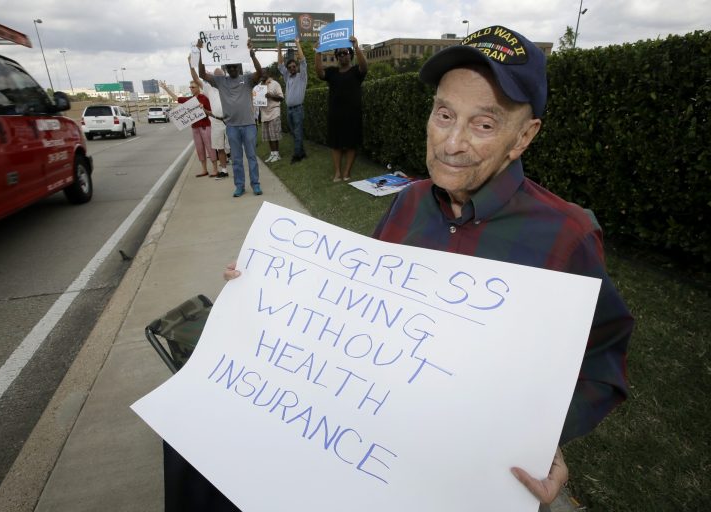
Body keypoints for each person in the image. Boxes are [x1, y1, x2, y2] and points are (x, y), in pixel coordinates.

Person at [225, 25, 633, 510]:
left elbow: (603, 360)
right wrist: (265, 290)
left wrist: (543, 437)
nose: (452, 143)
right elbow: (360, 308)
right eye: (444, 114)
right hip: (373, 458)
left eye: (484, 125)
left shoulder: (568, 237)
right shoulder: (409, 202)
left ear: (523, 137)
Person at [198, 39, 263, 197]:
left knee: (252, 157)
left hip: (248, 125)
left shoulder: (246, 79)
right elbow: (201, 74)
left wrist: (252, 54)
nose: (233, 68)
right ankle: (239, 186)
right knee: (236, 159)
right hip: (232, 127)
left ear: (239, 67)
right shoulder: (221, 81)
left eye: (235, 66)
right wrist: (200, 52)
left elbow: (260, 73)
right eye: (230, 67)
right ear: (226, 68)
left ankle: (255, 184)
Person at [315, 35, 367, 182]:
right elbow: (319, 73)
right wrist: (318, 52)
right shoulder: (332, 72)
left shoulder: (356, 71)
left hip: (353, 114)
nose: (343, 56)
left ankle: (347, 172)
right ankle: (337, 172)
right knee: (335, 144)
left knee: (351, 144)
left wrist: (357, 47)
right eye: (339, 54)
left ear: (350, 55)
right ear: (337, 57)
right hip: (335, 114)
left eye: (345, 53)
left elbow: (365, 67)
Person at [159, 78, 218, 177]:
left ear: (198, 87)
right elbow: (176, 99)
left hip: (205, 126)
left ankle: (215, 169)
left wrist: (203, 109)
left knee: (210, 148)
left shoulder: (204, 98)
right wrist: (166, 89)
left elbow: (212, 113)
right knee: (199, 149)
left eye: (193, 87)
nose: (191, 89)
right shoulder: (190, 100)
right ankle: (204, 170)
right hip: (195, 127)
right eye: (190, 87)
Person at [192, 66, 231, 180]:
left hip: (230, 121)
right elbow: (196, 78)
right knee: (220, 148)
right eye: (216, 76)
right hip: (216, 122)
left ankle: (238, 169)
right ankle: (223, 171)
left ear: (224, 76)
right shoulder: (209, 88)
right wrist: (192, 65)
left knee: (234, 147)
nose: (218, 78)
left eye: (221, 76)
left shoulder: (229, 86)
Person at [277, 38, 308, 163]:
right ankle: (302, 152)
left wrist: (297, 43)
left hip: (298, 110)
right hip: (289, 110)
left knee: (298, 132)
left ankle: (297, 156)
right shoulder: (287, 77)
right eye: (289, 67)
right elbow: (279, 64)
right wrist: (279, 47)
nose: (292, 68)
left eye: (294, 66)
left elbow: (303, 60)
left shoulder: (302, 76)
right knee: (295, 133)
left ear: (297, 67)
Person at [257, 68, 284, 163]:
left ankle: (277, 154)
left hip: (274, 111)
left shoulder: (275, 83)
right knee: (268, 136)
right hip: (264, 113)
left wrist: (271, 96)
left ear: (268, 73)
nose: (262, 75)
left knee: (274, 135)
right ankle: (272, 153)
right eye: (260, 73)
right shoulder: (259, 86)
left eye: (264, 73)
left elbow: (281, 98)